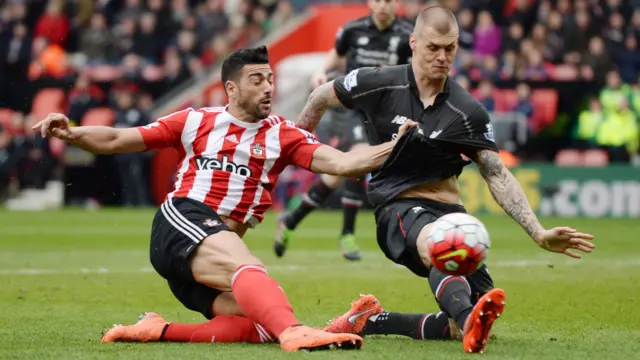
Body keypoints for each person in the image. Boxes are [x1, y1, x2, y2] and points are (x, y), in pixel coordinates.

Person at [32, 46, 417, 352]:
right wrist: (73, 134)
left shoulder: (283, 135)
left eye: (270, 79)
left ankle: (157, 330)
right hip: (182, 221)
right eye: (256, 80)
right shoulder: (196, 120)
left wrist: (395, 145)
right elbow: (119, 139)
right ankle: (297, 333)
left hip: (208, 267)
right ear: (231, 89)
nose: (268, 87)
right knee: (254, 276)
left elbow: (344, 163)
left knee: (261, 325)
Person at [293, 6, 595, 354]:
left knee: (458, 316)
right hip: (397, 207)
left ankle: (373, 320)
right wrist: (298, 147)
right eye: (433, 47)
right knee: (446, 256)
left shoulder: (467, 111)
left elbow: (496, 173)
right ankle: (470, 323)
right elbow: (320, 97)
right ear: (414, 43)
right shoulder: (377, 82)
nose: (442, 57)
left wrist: (538, 232)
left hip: (450, 211)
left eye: (449, 48)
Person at [274, 0, 414, 261]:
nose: (383, 5)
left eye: (389, 0)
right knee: (360, 157)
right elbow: (337, 53)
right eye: (378, 0)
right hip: (353, 108)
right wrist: (322, 71)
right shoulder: (353, 30)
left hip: (385, 113)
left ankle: (291, 220)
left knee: (336, 175)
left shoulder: (408, 36)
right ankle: (347, 234)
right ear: (370, 3)